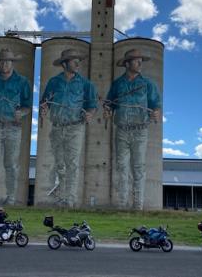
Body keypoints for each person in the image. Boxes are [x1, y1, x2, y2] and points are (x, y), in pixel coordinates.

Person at [104, 49, 161, 210]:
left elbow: (155, 105)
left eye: (140, 60)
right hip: (121, 130)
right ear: (127, 64)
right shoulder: (117, 84)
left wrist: (155, 113)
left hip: (140, 130)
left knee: (139, 167)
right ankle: (122, 204)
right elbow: (110, 103)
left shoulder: (148, 84)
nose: (140, 63)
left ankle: (138, 205)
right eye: (136, 61)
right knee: (121, 166)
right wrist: (107, 110)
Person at [40, 49, 98, 207]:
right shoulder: (53, 82)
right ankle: (62, 196)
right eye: (74, 60)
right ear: (65, 64)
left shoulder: (86, 84)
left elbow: (92, 106)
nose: (78, 63)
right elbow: (45, 102)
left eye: (78, 60)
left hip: (75, 128)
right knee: (60, 164)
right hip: (57, 128)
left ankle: (70, 199)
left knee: (72, 164)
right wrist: (44, 108)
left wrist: (89, 114)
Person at [0, 48, 32, 205]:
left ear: (12, 63)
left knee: (11, 164)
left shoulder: (23, 82)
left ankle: (11, 197)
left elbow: (27, 105)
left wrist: (21, 113)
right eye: (1, 61)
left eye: (7, 61)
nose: (4, 64)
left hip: (13, 127)